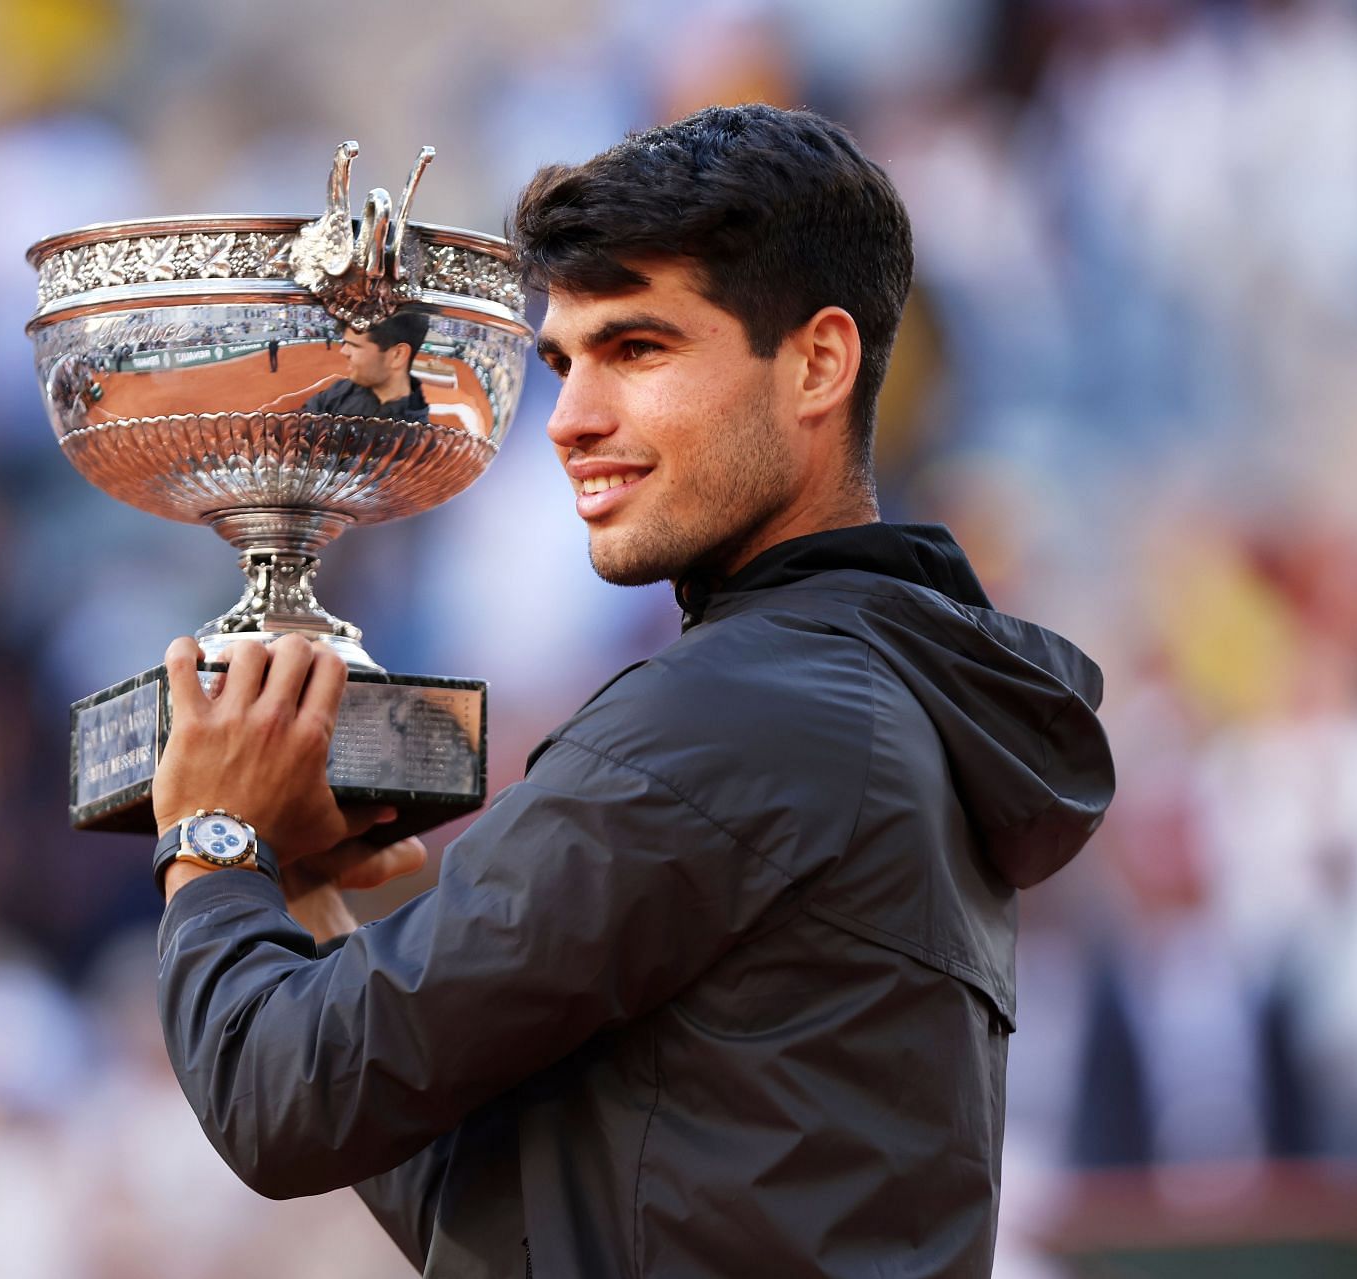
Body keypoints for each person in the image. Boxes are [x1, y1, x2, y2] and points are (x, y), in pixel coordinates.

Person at [147, 104, 1115, 1277]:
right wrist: (301, 900)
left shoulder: (738, 715)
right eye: (564, 360)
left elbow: (280, 1099)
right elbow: (524, 1220)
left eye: (639, 350)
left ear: (818, 363)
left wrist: (210, 841)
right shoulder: (875, 696)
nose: (571, 421)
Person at [301, 310, 433, 422]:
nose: (344, 351)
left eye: (354, 345)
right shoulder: (342, 389)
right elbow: (303, 420)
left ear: (398, 354)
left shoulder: (413, 438)